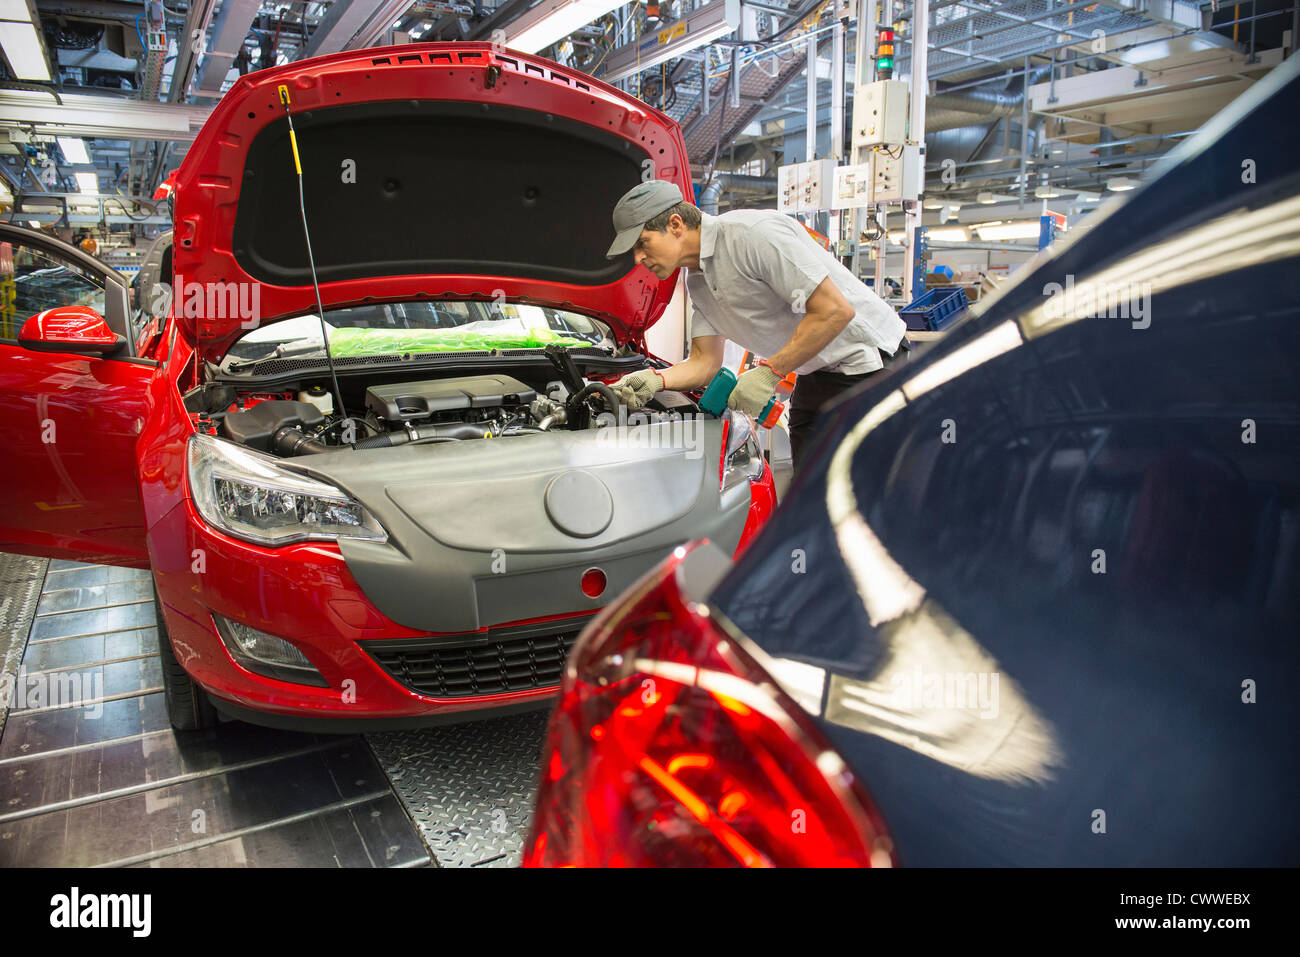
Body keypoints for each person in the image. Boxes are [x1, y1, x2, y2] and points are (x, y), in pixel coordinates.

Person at [605, 180, 910, 470]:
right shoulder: (697, 281)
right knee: (809, 492)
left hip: (870, 363)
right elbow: (704, 362)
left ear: (675, 225)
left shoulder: (752, 235)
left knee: (866, 498)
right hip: (816, 371)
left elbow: (834, 311)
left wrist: (767, 373)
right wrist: (656, 380)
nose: (637, 258)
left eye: (642, 243)